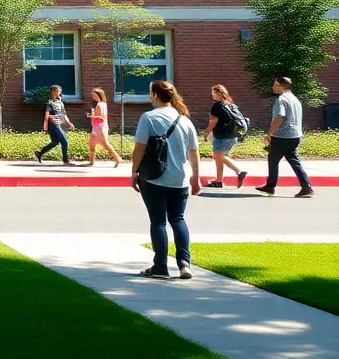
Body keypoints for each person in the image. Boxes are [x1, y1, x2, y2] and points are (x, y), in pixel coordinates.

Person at [131, 80, 201, 280]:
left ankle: (160, 265)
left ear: (154, 95)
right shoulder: (184, 120)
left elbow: (139, 148)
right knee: (178, 219)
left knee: (158, 222)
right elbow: (194, 152)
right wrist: (196, 178)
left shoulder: (148, 118)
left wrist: (133, 172)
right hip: (180, 179)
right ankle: (184, 263)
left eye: (150, 93)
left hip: (154, 178)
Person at [255, 77, 314, 198]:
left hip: (282, 136)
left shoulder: (281, 100)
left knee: (273, 160)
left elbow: (279, 117)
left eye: (275, 84)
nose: (273, 87)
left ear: (282, 85)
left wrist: (269, 133)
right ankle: (306, 187)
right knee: (293, 160)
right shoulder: (295, 99)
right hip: (295, 135)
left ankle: (270, 186)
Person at [201, 84, 248, 188]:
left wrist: (207, 132)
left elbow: (213, 121)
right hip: (233, 134)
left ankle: (239, 171)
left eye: (213, 92)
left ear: (218, 94)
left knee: (219, 157)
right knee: (219, 158)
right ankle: (218, 181)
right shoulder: (231, 104)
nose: (212, 95)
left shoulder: (217, 105)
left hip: (222, 135)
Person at [35, 85, 75, 165]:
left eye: (60, 91)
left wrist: (69, 123)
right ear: (53, 92)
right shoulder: (50, 103)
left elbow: (64, 114)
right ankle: (65, 160)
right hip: (53, 124)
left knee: (55, 142)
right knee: (64, 140)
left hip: (59, 123)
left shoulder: (60, 102)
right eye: (58, 91)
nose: (60, 92)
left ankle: (39, 153)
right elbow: (46, 116)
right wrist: (45, 128)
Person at [86, 87, 122, 167]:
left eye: (95, 95)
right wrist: (93, 115)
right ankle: (91, 162)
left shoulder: (100, 104)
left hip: (100, 127)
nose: (93, 97)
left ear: (99, 95)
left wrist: (92, 116)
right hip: (95, 127)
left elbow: (103, 116)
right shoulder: (101, 104)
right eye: (92, 95)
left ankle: (117, 158)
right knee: (91, 144)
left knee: (105, 144)